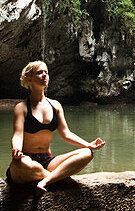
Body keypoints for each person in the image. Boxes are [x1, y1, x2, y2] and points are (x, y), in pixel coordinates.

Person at [7, 60, 105, 196]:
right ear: (29, 78)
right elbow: (18, 134)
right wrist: (16, 150)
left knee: (87, 153)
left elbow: (66, 133)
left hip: (48, 160)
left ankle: (45, 181)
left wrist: (88, 144)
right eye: (39, 73)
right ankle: (58, 177)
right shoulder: (21, 108)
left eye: (46, 73)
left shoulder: (55, 106)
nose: (44, 76)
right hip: (26, 159)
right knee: (30, 166)